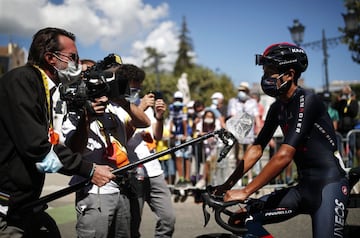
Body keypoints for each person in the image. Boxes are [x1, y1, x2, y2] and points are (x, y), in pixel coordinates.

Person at [215, 42, 349, 238]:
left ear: (290, 74)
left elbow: (285, 155)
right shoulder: (277, 107)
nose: (264, 78)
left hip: (329, 185)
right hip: (303, 187)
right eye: (264, 72)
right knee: (241, 219)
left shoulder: (307, 100)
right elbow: (256, 149)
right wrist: (227, 185)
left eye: (270, 72)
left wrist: (246, 191)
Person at [0, 27, 115, 237]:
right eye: (73, 57)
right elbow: (37, 148)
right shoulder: (22, 80)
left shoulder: (49, 89)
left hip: (28, 203)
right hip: (7, 208)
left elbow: (57, 147)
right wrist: (90, 170)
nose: (77, 64)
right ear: (50, 58)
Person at [62, 59, 151, 237]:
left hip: (121, 187)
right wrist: (88, 116)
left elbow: (144, 122)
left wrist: (123, 100)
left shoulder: (114, 106)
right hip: (94, 190)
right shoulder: (72, 110)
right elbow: (74, 151)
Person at [124, 64, 176, 238]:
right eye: (133, 88)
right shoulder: (118, 107)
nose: (136, 92)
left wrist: (160, 117)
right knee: (132, 224)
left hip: (154, 171)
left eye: (139, 88)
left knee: (168, 218)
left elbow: (158, 136)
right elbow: (121, 138)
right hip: (132, 172)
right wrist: (140, 110)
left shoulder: (145, 106)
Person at [227, 82, 261, 183]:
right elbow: (232, 116)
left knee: (249, 156)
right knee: (238, 156)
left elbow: (257, 117)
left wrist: (258, 128)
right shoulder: (233, 101)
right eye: (240, 91)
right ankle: (238, 178)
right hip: (237, 134)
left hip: (249, 134)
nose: (241, 92)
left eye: (243, 91)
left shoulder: (252, 102)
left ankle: (250, 178)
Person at [169, 91, 192, 187]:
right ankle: (181, 178)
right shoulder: (171, 107)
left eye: (179, 99)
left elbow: (185, 122)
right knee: (178, 157)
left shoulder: (184, 107)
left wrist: (185, 135)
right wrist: (170, 132)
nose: (177, 101)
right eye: (176, 99)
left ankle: (187, 178)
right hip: (177, 134)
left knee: (187, 157)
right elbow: (171, 120)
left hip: (185, 133)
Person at [334, 85, 359, 167]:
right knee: (339, 150)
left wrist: (349, 101)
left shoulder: (353, 102)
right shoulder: (340, 103)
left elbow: (354, 113)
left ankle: (350, 166)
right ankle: (341, 167)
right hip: (340, 130)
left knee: (351, 149)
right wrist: (340, 97)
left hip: (350, 130)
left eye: (347, 93)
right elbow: (335, 108)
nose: (345, 95)